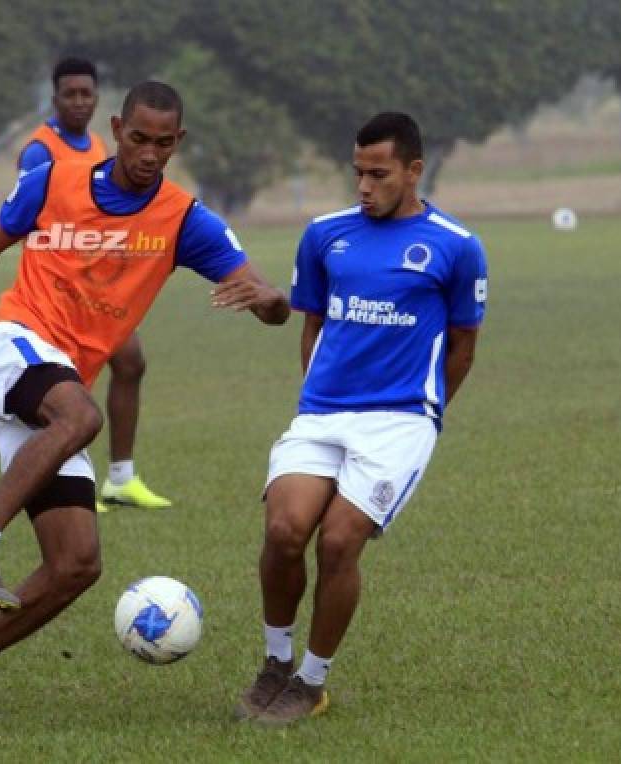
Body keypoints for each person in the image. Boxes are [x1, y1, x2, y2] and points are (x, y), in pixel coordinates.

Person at [0, 81, 290, 718]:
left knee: (76, 563)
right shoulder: (54, 180)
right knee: (82, 415)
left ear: (178, 143)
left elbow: (264, 297)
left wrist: (272, 302)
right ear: (118, 128)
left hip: (56, 385)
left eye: (163, 144)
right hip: (14, 345)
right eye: (138, 138)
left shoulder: (185, 220)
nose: (148, 153)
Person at [233, 112, 488, 725]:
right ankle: (276, 664)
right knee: (285, 531)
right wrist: (319, 394)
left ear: (414, 170)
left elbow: (462, 348)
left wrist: (423, 414)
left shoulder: (457, 247)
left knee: (340, 539)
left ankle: (311, 682)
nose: (365, 186)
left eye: (379, 174)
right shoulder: (324, 236)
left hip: (400, 421)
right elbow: (311, 325)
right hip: (323, 412)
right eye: (358, 173)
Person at [17, 57, 171, 513]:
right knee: (68, 384)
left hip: (104, 288)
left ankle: (120, 477)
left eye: (87, 93)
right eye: (71, 94)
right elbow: (29, 223)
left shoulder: (102, 143)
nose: (80, 101)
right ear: (55, 96)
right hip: (58, 292)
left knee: (130, 362)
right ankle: (67, 475)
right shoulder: (39, 151)